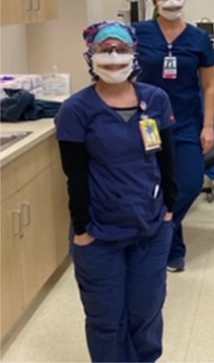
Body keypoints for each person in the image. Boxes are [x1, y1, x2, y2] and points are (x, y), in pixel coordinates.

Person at [55, 21, 177, 362]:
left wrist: (168, 211)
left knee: (147, 315)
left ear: (134, 54)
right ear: (90, 56)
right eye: (104, 49)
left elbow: (168, 160)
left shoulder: (155, 100)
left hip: (150, 228)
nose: (113, 56)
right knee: (106, 321)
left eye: (121, 49)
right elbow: (74, 175)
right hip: (99, 233)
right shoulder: (76, 110)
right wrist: (82, 230)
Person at [134, 0, 214, 272]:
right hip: (147, 124)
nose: (172, 1)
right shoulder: (137, 33)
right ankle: (173, 249)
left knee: (190, 182)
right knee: (155, 184)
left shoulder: (198, 39)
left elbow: (209, 86)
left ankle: (156, 234)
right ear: (155, 0)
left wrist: (208, 126)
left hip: (185, 123)